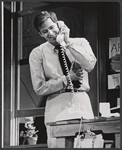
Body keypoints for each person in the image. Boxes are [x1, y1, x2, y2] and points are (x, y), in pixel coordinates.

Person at [29, 11, 97, 148]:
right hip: (56, 103)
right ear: (40, 34)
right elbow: (39, 87)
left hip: (81, 100)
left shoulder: (80, 42)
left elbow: (90, 64)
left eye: (52, 27)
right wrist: (67, 79)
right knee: (58, 145)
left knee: (87, 144)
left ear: (59, 24)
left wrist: (68, 42)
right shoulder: (37, 53)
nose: (50, 33)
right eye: (44, 31)